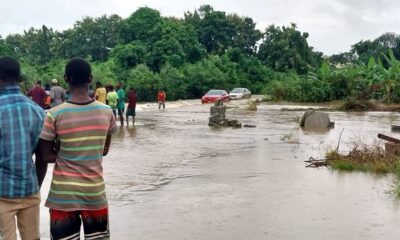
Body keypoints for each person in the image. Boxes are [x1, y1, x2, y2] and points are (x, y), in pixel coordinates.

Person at [37, 58, 117, 240]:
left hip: (63, 196)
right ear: (90, 78)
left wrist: (60, 148)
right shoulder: (106, 112)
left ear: (66, 78)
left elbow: (47, 155)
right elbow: (104, 150)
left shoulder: (55, 114)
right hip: (94, 193)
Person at [0, 57, 47, 240]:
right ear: (20, 78)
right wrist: (36, 187)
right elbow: (43, 158)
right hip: (29, 189)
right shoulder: (37, 110)